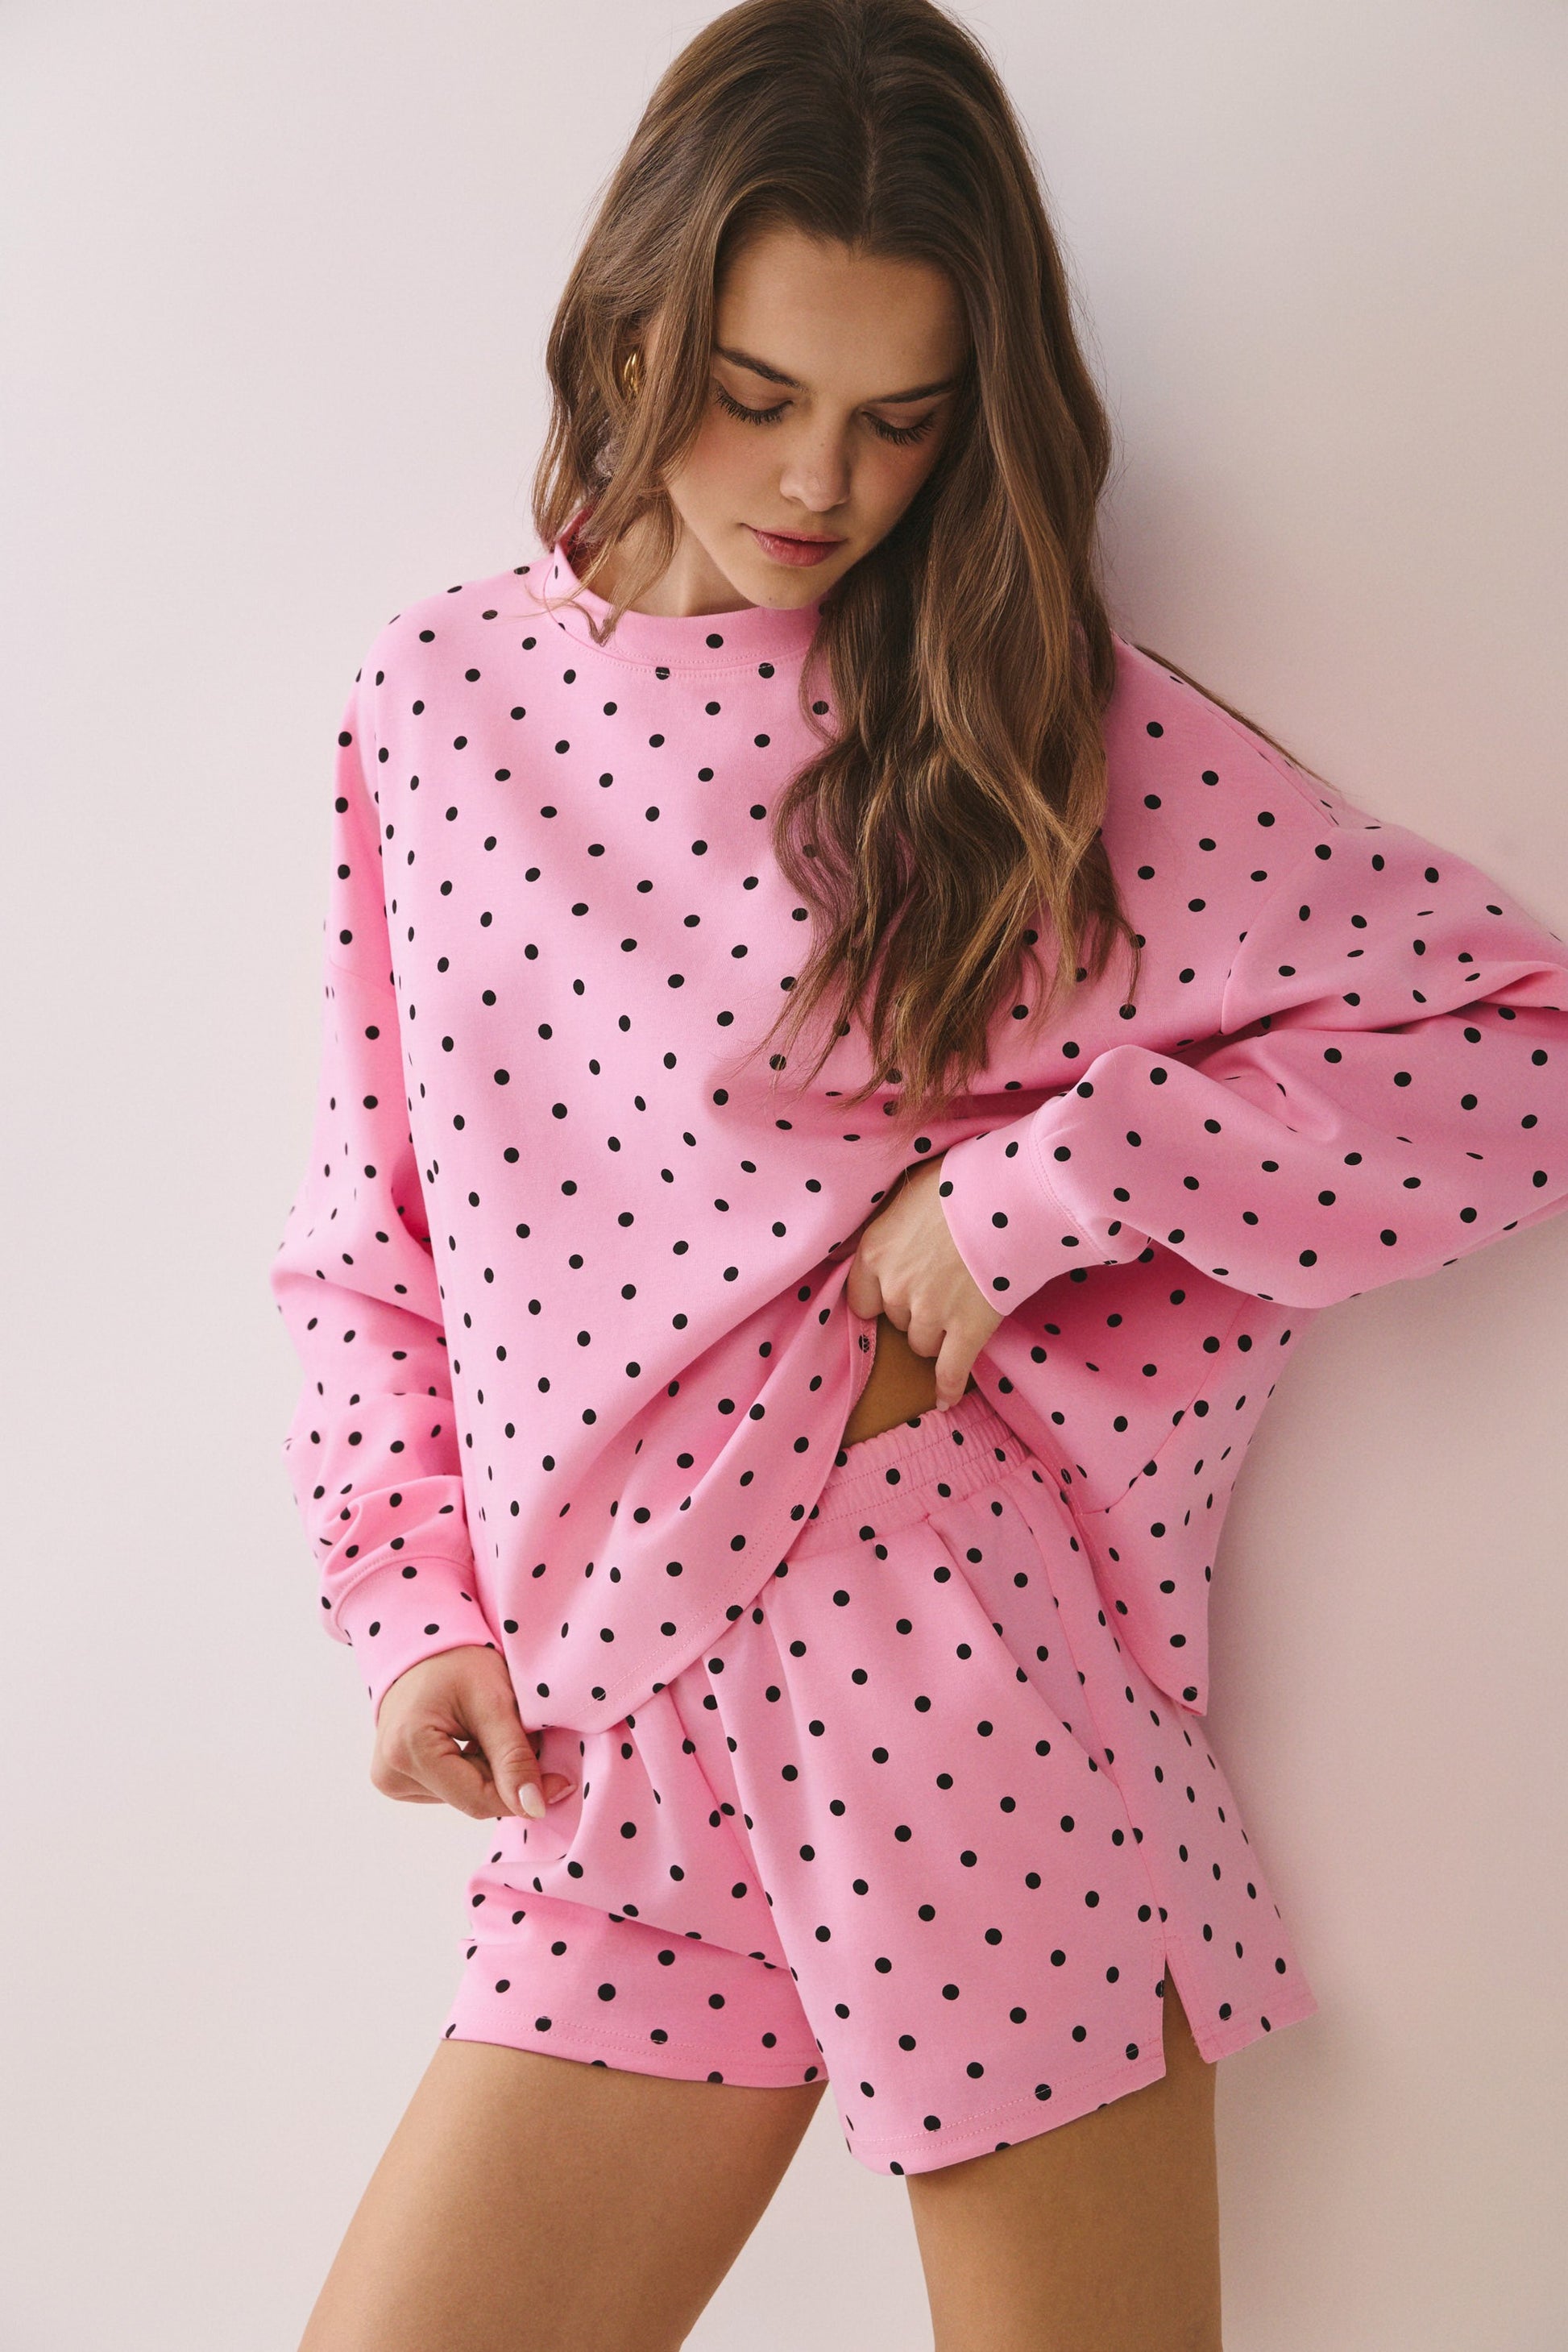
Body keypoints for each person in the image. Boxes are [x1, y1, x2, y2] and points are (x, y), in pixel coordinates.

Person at [268, 2, 1568, 2344]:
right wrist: (412, 1606)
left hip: (938, 1673)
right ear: (633, 321)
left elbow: (1514, 1056)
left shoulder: (1017, 718)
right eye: (754, 391)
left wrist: (1038, 1191)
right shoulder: (436, 701)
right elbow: (378, 1229)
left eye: (902, 416)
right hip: (609, 1720)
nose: (817, 483)